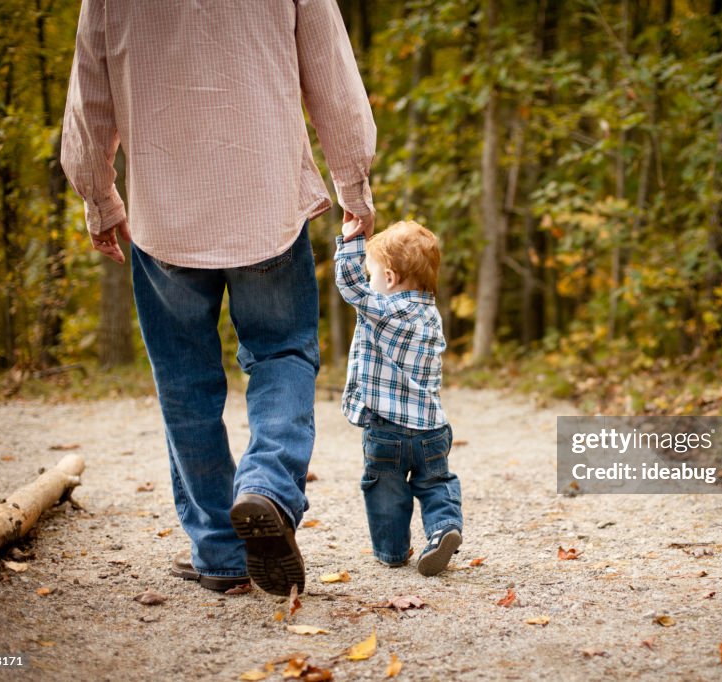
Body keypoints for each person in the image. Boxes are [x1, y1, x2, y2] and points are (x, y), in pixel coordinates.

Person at [60, 0, 376, 596]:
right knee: (282, 352)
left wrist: (98, 197)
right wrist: (353, 183)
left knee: (185, 382)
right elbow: (332, 74)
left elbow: (90, 95)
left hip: (164, 210)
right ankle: (269, 489)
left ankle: (220, 552)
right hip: (267, 200)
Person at [334, 218, 464, 576]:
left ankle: (392, 552)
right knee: (437, 483)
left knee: (385, 490)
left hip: (386, 430)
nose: (370, 282)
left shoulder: (383, 309)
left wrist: (349, 243)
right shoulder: (431, 315)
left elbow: (350, 287)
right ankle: (443, 528)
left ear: (389, 278)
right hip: (432, 430)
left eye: (373, 274)